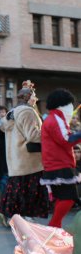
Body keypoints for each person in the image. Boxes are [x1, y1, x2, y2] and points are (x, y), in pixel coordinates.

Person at [0, 81, 49, 226]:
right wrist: (48, 133)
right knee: (30, 190)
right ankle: (26, 217)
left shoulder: (12, 112)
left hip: (15, 158)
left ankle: (10, 216)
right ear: (28, 97)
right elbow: (33, 135)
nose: (36, 99)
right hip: (29, 158)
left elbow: (3, 127)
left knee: (15, 189)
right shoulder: (28, 112)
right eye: (34, 96)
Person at [41, 89, 81, 228]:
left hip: (57, 164)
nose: (71, 107)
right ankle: (53, 226)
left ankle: (54, 226)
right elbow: (66, 140)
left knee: (63, 199)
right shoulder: (55, 119)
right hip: (59, 165)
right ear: (61, 105)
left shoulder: (56, 118)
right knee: (69, 198)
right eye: (69, 104)